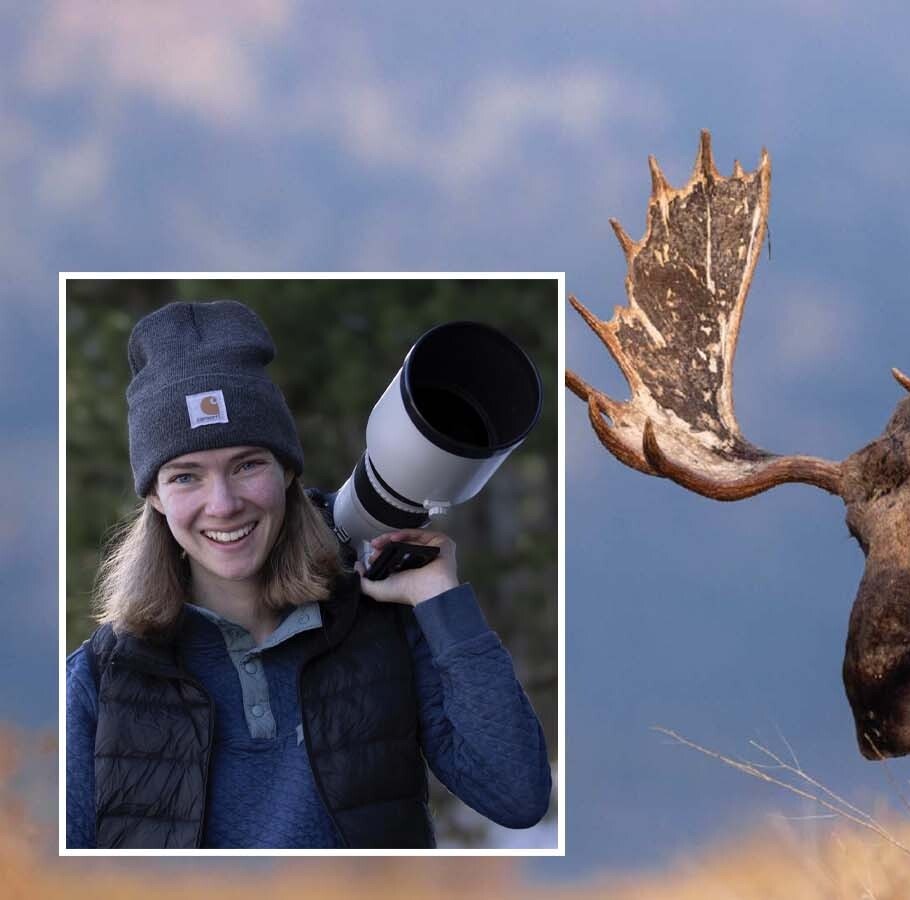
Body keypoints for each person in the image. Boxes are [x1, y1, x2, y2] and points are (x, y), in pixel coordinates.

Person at [65, 300, 551, 849]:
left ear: (287, 468)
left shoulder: (382, 626)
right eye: (185, 477)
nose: (222, 504)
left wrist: (442, 604)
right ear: (153, 495)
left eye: (247, 464)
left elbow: (517, 797)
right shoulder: (100, 681)